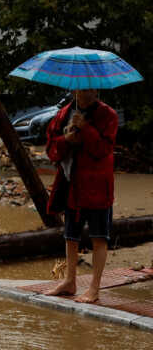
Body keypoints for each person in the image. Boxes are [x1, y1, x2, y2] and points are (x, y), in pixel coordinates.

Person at [43, 88, 119, 303]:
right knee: (70, 236)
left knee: (99, 237)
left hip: (97, 185)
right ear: (75, 90)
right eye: (83, 88)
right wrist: (66, 139)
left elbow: (103, 149)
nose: (88, 92)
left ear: (97, 89)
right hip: (71, 182)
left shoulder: (108, 115)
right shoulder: (63, 113)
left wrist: (86, 129)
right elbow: (51, 148)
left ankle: (94, 289)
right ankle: (70, 281)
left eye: (91, 87)